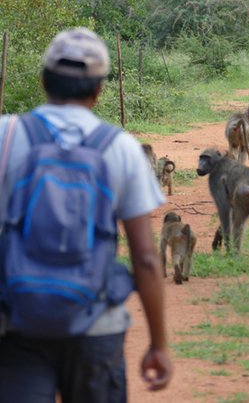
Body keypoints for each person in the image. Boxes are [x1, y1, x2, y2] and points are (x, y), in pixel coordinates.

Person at [0, 27, 172, 400]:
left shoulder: (6, 135)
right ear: (98, 90)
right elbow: (144, 258)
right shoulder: (123, 148)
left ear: (44, 79)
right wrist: (158, 344)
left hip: (16, 326)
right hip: (97, 327)